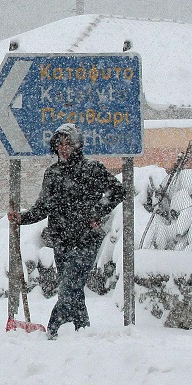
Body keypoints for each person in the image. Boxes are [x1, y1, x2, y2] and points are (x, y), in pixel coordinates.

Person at [8, 123, 125, 339]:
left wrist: (97, 212)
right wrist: (22, 219)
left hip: (87, 240)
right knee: (73, 290)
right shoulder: (52, 174)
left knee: (68, 286)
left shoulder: (91, 169)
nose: (63, 148)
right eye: (60, 144)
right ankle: (82, 331)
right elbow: (43, 207)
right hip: (61, 241)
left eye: (68, 144)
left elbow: (117, 190)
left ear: (77, 145)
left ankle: (52, 332)